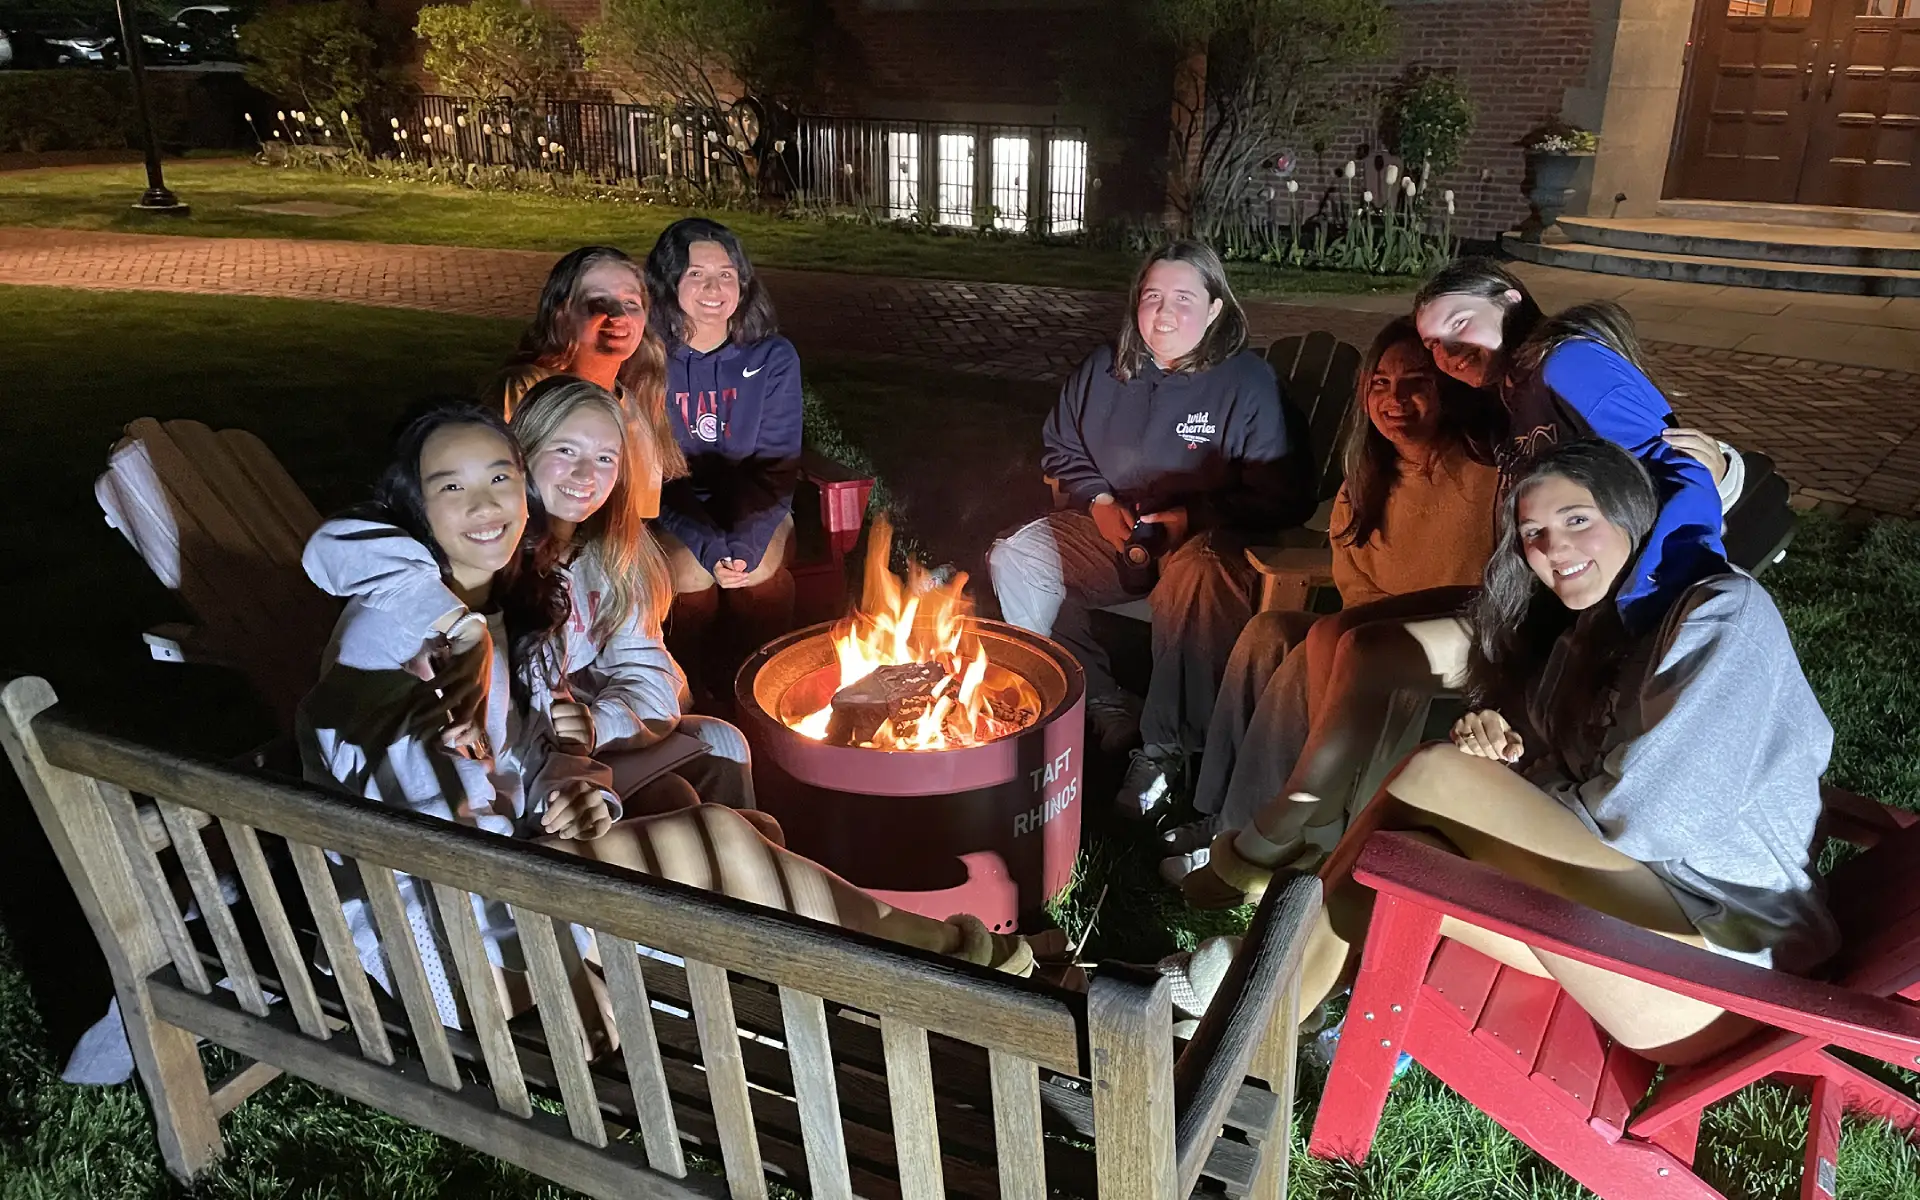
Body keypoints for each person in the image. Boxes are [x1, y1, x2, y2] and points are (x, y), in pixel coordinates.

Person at [298, 405, 1034, 1035]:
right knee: (720, 842)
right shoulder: (387, 632)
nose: (484, 503)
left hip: (511, 884)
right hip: (453, 943)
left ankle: (947, 966)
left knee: (739, 834)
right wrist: (453, 631)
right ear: (412, 511)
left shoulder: (508, 611)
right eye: (450, 486)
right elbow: (340, 554)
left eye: (499, 477)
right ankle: (965, 971)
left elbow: (543, 751)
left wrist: (574, 786)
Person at [1235, 440, 1838, 1062]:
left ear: (1635, 515)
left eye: (1578, 520)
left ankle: (1252, 991)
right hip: (1640, 940)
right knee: (1406, 855)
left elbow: (1656, 821)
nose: (1553, 549)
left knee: (1438, 773)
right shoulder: (1589, 633)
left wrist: (1491, 803)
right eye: (1532, 533)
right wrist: (1509, 770)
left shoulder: (1722, 615)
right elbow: (1573, 778)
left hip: (1720, 975)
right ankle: (1260, 1030)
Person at [1164, 318, 1501, 883]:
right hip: (1372, 626)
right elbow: (1355, 586)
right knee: (1267, 633)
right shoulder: (1367, 480)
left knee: (1309, 656)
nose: (1395, 399)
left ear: (1448, 387)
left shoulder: (1486, 476)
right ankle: (1218, 815)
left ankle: (1259, 842)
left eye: (1416, 381)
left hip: (1444, 648)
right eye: (1380, 384)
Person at [988, 240, 1311, 819]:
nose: (1164, 313)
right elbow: (1062, 447)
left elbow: (1281, 492)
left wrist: (1195, 518)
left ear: (1215, 309)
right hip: (1117, 533)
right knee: (1019, 557)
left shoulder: (1245, 383)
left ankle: (1165, 750)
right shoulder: (1105, 370)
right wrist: (1098, 500)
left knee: (1196, 574)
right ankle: (1101, 702)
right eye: (1152, 297)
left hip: (1204, 544)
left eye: (1183, 298)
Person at [1412, 258, 1726, 634]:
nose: (1449, 351)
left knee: (1367, 653)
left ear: (1511, 302)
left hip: (1622, 599)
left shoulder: (1567, 363)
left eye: (1460, 324)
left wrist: (1653, 600)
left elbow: (1679, 466)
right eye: (1433, 344)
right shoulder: (1512, 398)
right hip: (1554, 598)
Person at [643, 218, 803, 702]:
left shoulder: (773, 357)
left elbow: (775, 467)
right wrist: (708, 543)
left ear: (743, 283)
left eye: (727, 274)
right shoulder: (649, 359)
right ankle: (691, 687)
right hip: (676, 508)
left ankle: (761, 687)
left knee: (756, 571)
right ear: (670, 283)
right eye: (696, 274)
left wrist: (746, 541)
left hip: (757, 505)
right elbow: (662, 478)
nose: (714, 288)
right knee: (690, 574)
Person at [490, 245, 687, 516]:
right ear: (562, 315)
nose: (619, 316)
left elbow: (639, 518)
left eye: (631, 303)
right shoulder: (528, 388)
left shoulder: (636, 402)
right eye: (598, 302)